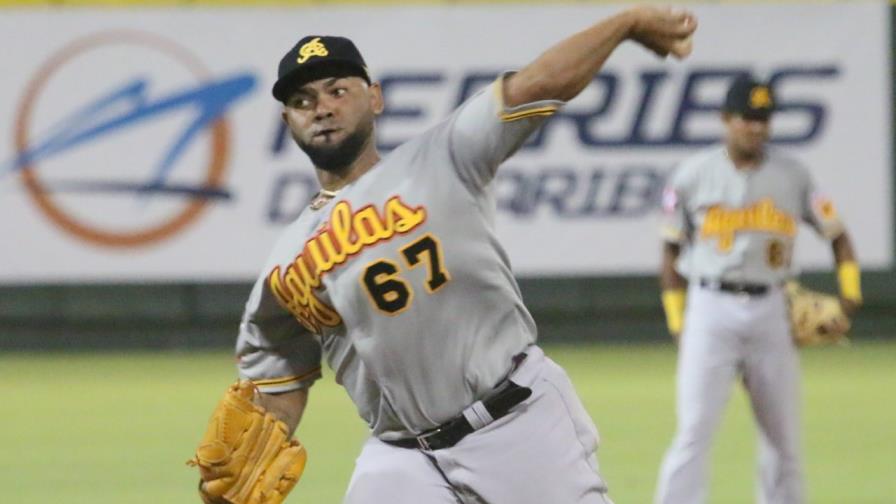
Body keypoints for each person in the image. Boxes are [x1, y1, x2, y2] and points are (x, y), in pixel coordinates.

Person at [199, 6, 696, 503]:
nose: (322, 107)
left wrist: (624, 25)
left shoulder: (444, 156)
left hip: (515, 421)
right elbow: (278, 380)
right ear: (288, 120)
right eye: (303, 100)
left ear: (374, 98)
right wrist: (241, 468)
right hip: (401, 455)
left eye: (337, 89)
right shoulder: (287, 261)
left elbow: (538, 85)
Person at [654, 75, 863, 504]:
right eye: (748, 118)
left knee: (783, 438)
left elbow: (838, 236)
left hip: (772, 311)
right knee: (694, 430)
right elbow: (670, 253)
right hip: (710, 308)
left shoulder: (793, 174)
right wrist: (679, 322)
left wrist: (849, 297)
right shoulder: (693, 175)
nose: (757, 127)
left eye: (764, 118)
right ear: (726, 120)